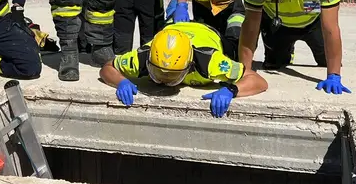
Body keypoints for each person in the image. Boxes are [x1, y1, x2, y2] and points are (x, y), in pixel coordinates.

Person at [99, 22, 268, 118]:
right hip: (173, 29)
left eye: (173, 74)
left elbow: (258, 81)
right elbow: (107, 67)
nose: (164, 80)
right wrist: (121, 81)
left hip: (208, 33)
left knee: (234, 42)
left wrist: (231, 90)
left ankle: (235, 19)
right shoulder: (141, 57)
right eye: (158, 72)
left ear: (190, 65)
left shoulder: (210, 62)